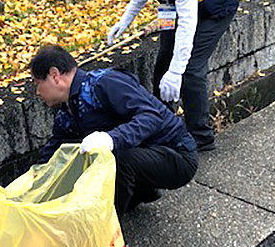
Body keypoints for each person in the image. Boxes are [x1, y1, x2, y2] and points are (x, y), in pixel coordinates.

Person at [105, 0, 239, 152]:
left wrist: (177, 71)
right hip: (172, 6)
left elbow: (188, 21)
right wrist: (124, 21)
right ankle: (162, 124)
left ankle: (201, 136)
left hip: (215, 6)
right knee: (164, 61)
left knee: (189, 69)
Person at [31, 44, 198, 217]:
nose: (37, 92)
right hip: (147, 154)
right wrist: (33, 182)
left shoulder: (105, 83)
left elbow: (151, 117)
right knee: (81, 153)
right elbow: (55, 151)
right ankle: (142, 190)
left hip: (178, 154)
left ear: (54, 75)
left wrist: (110, 138)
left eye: (38, 83)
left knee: (118, 159)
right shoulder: (67, 110)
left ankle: (107, 232)